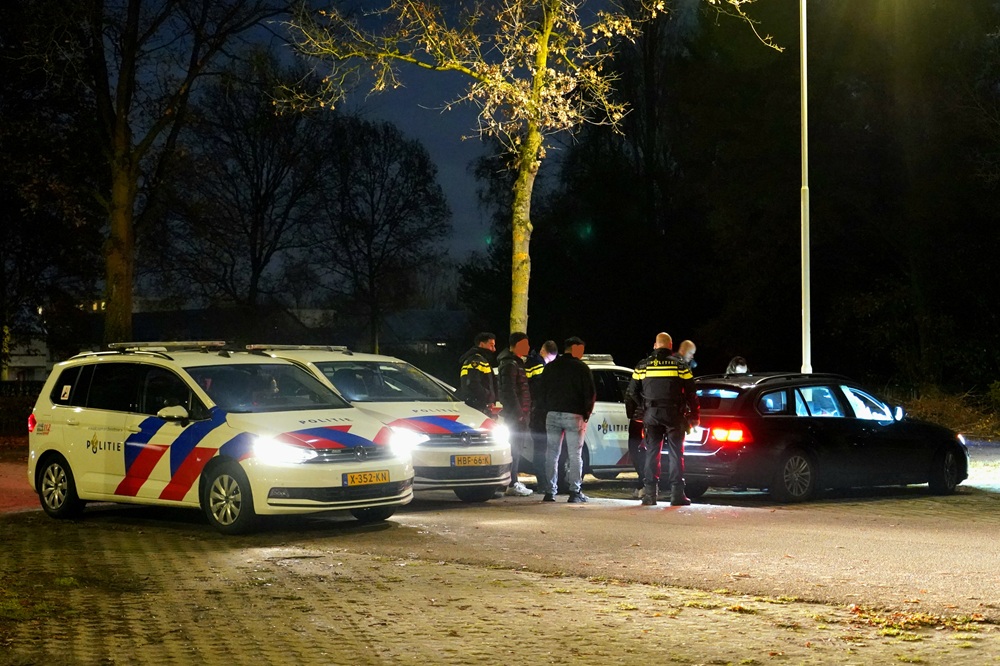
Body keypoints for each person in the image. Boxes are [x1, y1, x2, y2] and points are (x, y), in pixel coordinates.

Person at [626, 332, 699, 506]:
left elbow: (631, 392)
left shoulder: (643, 365)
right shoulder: (680, 365)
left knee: (652, 453)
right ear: (671, 346)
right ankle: (677, 495)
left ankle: (650, 495)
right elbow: (692, 393)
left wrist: (643, 407)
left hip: (651, 415)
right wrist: (694, 416)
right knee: (676, 454)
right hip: (674, 415)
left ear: (655, 345)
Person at [536, 336, 596, 503]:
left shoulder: (551, 367)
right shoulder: (582, 368)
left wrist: (546, 410)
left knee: (551, 453)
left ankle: (550, 492)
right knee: (575, 454)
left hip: (552, 414)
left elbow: (541, 391)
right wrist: (586, 413)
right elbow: (590, 393)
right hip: (574, 415)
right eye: (581, 350)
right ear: (575, 348)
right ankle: (575, 492)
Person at [496, 332, 534, 497]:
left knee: (516, 448)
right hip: (516, 415)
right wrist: (519, 413)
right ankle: (512, 483)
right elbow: (509, 391)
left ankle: (512, 481)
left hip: (519, 413)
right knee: (514, 449)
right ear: (517, 345)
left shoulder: (514, 362)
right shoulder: (510, 364)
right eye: (525, 344)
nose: (528, 348)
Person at [525, 339, 558, 487]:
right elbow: (540, 390)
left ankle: (543, 482)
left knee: (540, 448)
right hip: (539, 413)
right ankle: (543, 483)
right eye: (549, 359)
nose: (549, 363)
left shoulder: (531, 362)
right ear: (543, 351)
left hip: (535, 412)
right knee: (541, 449)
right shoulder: (538, 365)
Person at [456, 332, 498, 416]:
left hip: (477, 404)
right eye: (491, 345)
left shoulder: (479, 359)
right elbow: (473, 383)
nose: (494, 349)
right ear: (482, 344)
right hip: (477, 405)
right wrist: (488, 396)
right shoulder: (476, 360)